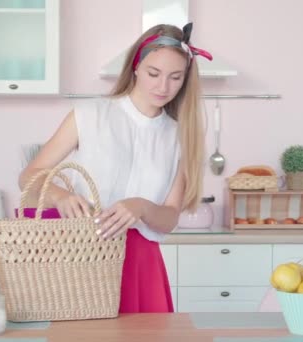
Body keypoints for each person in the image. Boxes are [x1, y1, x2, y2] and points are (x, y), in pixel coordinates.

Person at [18, 22, 212, 313]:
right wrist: (60, 196)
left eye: (175, 77)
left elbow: (170, 218)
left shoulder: (179, 137)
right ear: (135, 67)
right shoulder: (90, 115)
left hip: (142, 264)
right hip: (80, 255)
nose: (163, 87)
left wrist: (142, 207)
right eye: (153, 73)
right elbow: (28, 178)